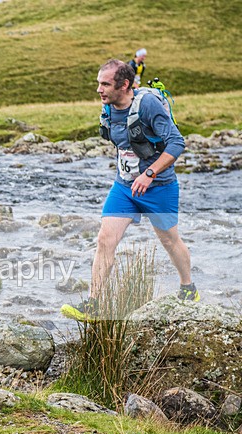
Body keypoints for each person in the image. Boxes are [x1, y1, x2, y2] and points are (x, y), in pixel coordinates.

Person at [61, 59, 197, 322]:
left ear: (124, 85)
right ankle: (93, 305)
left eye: (105, 84)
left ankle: (188, 288)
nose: (99, 90)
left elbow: (176, 143)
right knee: (104, 240)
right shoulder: (108, 108)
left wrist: (149, 173)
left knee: (169, 240)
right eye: (98, 83)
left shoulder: (147, 105)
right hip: (124, 187)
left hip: (159, 187)